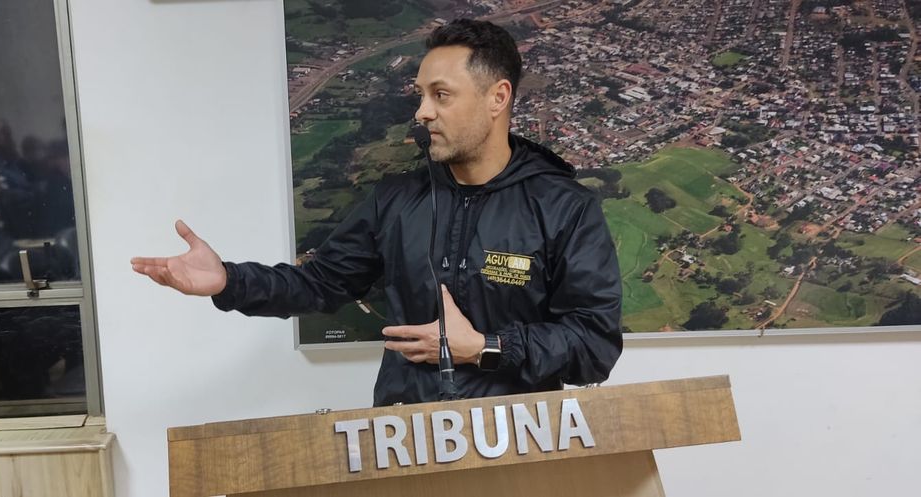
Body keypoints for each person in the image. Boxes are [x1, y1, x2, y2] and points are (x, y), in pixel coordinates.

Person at [132, 19, 623, 406]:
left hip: (519, 449)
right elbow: (320, 283)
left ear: (498, 97)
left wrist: (484, 348)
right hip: (403, 444)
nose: (422, 112)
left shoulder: (565, 209)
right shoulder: (396, 200)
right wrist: (228, 280)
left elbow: (594, 347)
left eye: (441, 95)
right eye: (422, 95)